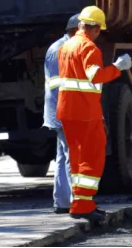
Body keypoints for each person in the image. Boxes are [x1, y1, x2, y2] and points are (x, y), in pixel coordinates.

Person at [57, 5, 132, 222]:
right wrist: (119, 67)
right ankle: (83, 205)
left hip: (67, 111)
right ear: (96, 29)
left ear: (80, 24)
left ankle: (80, 204)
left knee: (78, 158)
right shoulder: (90, 48)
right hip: (84, 112)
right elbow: (95, 76)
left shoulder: (66, 47)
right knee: (92, 157)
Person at [44, 14, 78, 214]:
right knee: (71, 155)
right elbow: (59, 86)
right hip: (63, 110)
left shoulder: (61, 47)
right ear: (75, 30)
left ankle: (63, 201)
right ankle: (76, 202)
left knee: (62, 154)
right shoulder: (60, 50)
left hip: (60, 110)